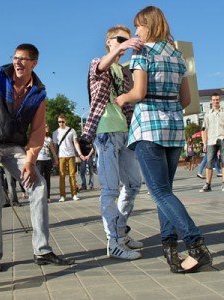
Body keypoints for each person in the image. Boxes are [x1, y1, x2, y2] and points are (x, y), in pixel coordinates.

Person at [116, 5, 212, 273]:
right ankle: (170, 250)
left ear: (150, 26)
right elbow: (186, 100)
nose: (136, 31)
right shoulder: (178, 56)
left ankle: (196, 245)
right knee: (165, 193)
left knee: (158, 192)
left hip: (148, 128)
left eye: (139, 26)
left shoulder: (142, 52)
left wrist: (123, 98)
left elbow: (139, 92)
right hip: (173, 129)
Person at [0, 43, 75, 272]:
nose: (17, 62)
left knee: (39, 186)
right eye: (15, 58)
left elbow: (37, 129)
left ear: (34, 63)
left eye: (23, 59)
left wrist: (31, 162)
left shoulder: (39, 92)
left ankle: (42, 249)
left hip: (15, 146)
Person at [82, 24, 144, 260]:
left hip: (123, 132)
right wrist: (121, 48)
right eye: (120, 39)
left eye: (128, 40)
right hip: (104, 131)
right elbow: (100, 67)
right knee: (110, 189)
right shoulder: (98, 62)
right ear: (109, 41)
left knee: (133, 184)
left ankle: (120, 230)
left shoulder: (123, 71)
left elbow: (129, 102)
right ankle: (114, 242)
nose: (125, 44)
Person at [200, 93, 224, 192]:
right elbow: (203, 129)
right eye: (214, 100)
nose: (216, 101)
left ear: (220, 100)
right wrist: (204, 143)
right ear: (211, 101)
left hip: (223, 139)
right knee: (209, 162)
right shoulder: (207, 114)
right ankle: (208, 184)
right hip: (211, 140)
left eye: (217, 99)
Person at [52, 114, 82, 202]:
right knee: (62, 176)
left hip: (71, 155)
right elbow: (54, 146)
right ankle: (62, 195)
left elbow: (76, 143)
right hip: (61, 156)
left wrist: (80, 154)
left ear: (65, 121)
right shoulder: (55, 132)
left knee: (72, 175)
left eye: (62, 121)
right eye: (59, 122)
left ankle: (74, 194)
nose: (61, 123)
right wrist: (55, 158)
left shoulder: (71, 130)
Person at [36, 123, 58, 203]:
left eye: (48, 126)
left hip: (48, 160)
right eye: (45, 126)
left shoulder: (49, 139)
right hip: (39, 160)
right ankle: (40, 196)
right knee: (40, 179)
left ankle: (48, 196)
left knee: (47, 179)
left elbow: (52, 150)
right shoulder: (37, 138)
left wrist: (56, 160)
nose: (47, 127)